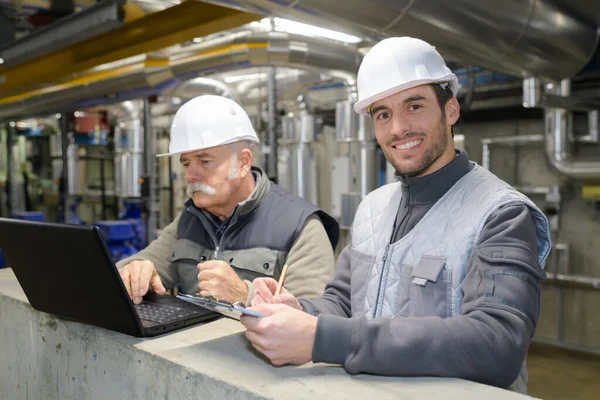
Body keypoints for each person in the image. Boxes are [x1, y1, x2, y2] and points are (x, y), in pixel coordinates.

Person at [241, 37, 551, 394]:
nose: (398, 128)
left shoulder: (501, 214)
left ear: (450, 110)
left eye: (414, 105)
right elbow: (343, 301)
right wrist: (299, 309)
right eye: (383, 114)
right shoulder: (373, 208)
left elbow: (496, 343)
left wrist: (324, 339)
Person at [117, 95, 339, 306]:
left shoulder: (300, 227)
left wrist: (246, 295)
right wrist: (134, 269)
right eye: (186, 163)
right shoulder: (190, 220)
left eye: (204, 161)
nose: (190, 175)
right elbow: (140, 264)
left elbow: (314, 319)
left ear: (243, 163)